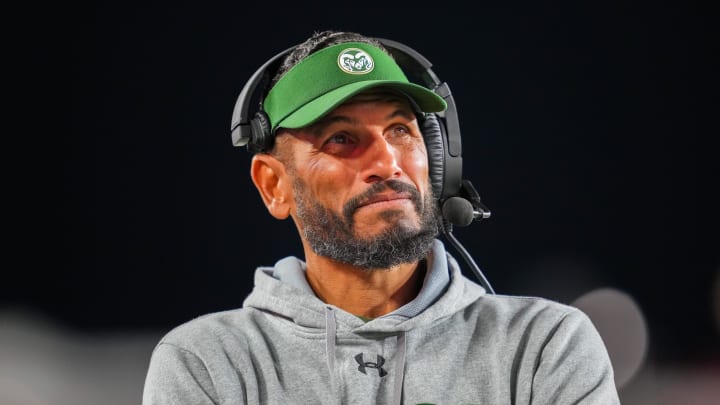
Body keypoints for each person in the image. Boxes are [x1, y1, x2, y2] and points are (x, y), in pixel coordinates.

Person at [142, 30, 620, 404]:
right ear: (274, 185)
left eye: (399, 130)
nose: (387, 162)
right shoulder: (207, 363)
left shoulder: (543, 348)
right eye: (341, 140)